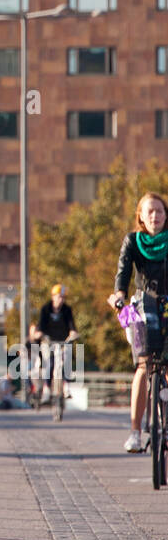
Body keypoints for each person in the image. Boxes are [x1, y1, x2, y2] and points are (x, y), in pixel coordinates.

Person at [107, 190, 168, 454]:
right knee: (143, 365)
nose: (155, 215)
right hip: (142, 304)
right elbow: (122, 274)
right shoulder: (132, 241)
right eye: (150, 211)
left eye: (160, 211)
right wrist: (119, 296)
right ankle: (134, 431)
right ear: (141, 217)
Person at [32, 284, 78, 404]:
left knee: (66, 360)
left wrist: (73, 333)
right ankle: (47, 389)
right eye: (59, 296)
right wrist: (39, 334)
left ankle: (66, 386)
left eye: (63, 297)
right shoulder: (46, 309)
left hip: (63, 340)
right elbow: (41, 325)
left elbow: (71, 325)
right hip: (49, 340)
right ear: (53, 297)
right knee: (50, 362)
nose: (61, 300)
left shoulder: (67, 310)